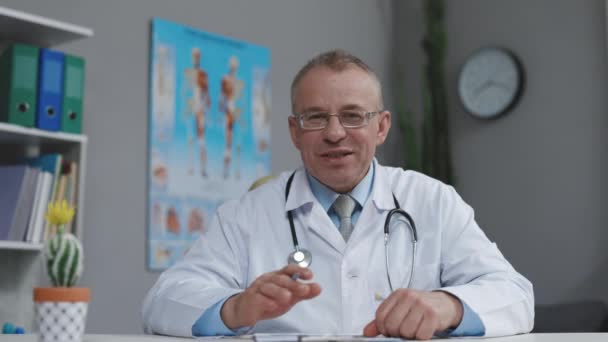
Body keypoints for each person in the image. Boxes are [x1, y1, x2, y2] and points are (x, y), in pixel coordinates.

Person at [142, 49, 534, 340]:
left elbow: (515, 297)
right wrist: (234, 308)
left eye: (352, 115)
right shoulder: (245, 215)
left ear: (381, 127)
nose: (334, 133)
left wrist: (449, 305)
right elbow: (164, 301)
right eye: (315, 117)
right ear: (295, 131)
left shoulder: (434, 202)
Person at [184, 48, 210, 177]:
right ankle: (190, 168)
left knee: (201, 140)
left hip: (200, 110)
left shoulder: (203, 75)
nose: (196, 58)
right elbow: (185, 92)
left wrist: (203, 110)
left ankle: (203, 169)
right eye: (194, 56)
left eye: (198, 56)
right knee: (190, 140)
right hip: (190, 110)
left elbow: (206, 96)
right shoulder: (188, 73)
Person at [219, 56, 243, 178]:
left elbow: (239, 101)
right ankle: (226, 171)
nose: (234, 67)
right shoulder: (226, 79)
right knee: (228, 143)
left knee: (237, 143)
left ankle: (236, 172)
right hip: (229, 114)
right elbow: (222, 99)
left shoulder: (238, 82)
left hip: (236, 116)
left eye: (235, 66)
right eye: (232, 65)